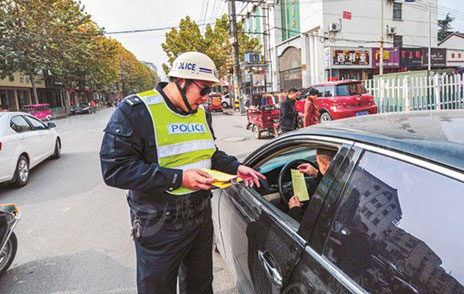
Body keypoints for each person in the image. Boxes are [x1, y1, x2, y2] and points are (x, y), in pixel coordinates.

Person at [99, 51, 265, 294]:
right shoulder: (135, 111)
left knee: (200, 285)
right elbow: (115, 169)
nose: (207, 99)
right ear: (181, 81)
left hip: (199, 216)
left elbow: (209, 153)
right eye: (204, 90)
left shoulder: (201, 113)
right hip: (158, 223)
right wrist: (179, 178)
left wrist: (235, 166)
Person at [288, 148, 336, 222]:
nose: (319, 167)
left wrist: (294, 209)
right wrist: (316, 173)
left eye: (319, 164)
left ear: (327, 166)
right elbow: (334, 185)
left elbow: (305, 230)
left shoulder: (325, 208)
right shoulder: (348, 180)